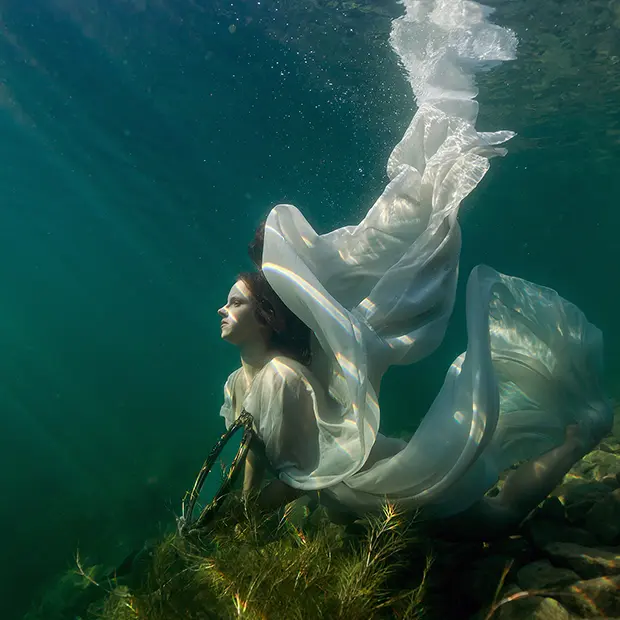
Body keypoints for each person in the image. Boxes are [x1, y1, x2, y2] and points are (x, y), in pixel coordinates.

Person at [217, 0, 613, 538]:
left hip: (382, 476)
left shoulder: (284, 378)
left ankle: (575, 439)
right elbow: (256, 462)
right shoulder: (241, 382)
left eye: (236, 301)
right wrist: (241, 515)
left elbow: (287, 477)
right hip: (344, 487)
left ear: (266, 319)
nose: (223, 308)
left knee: (494, 519)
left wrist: (234, 523)